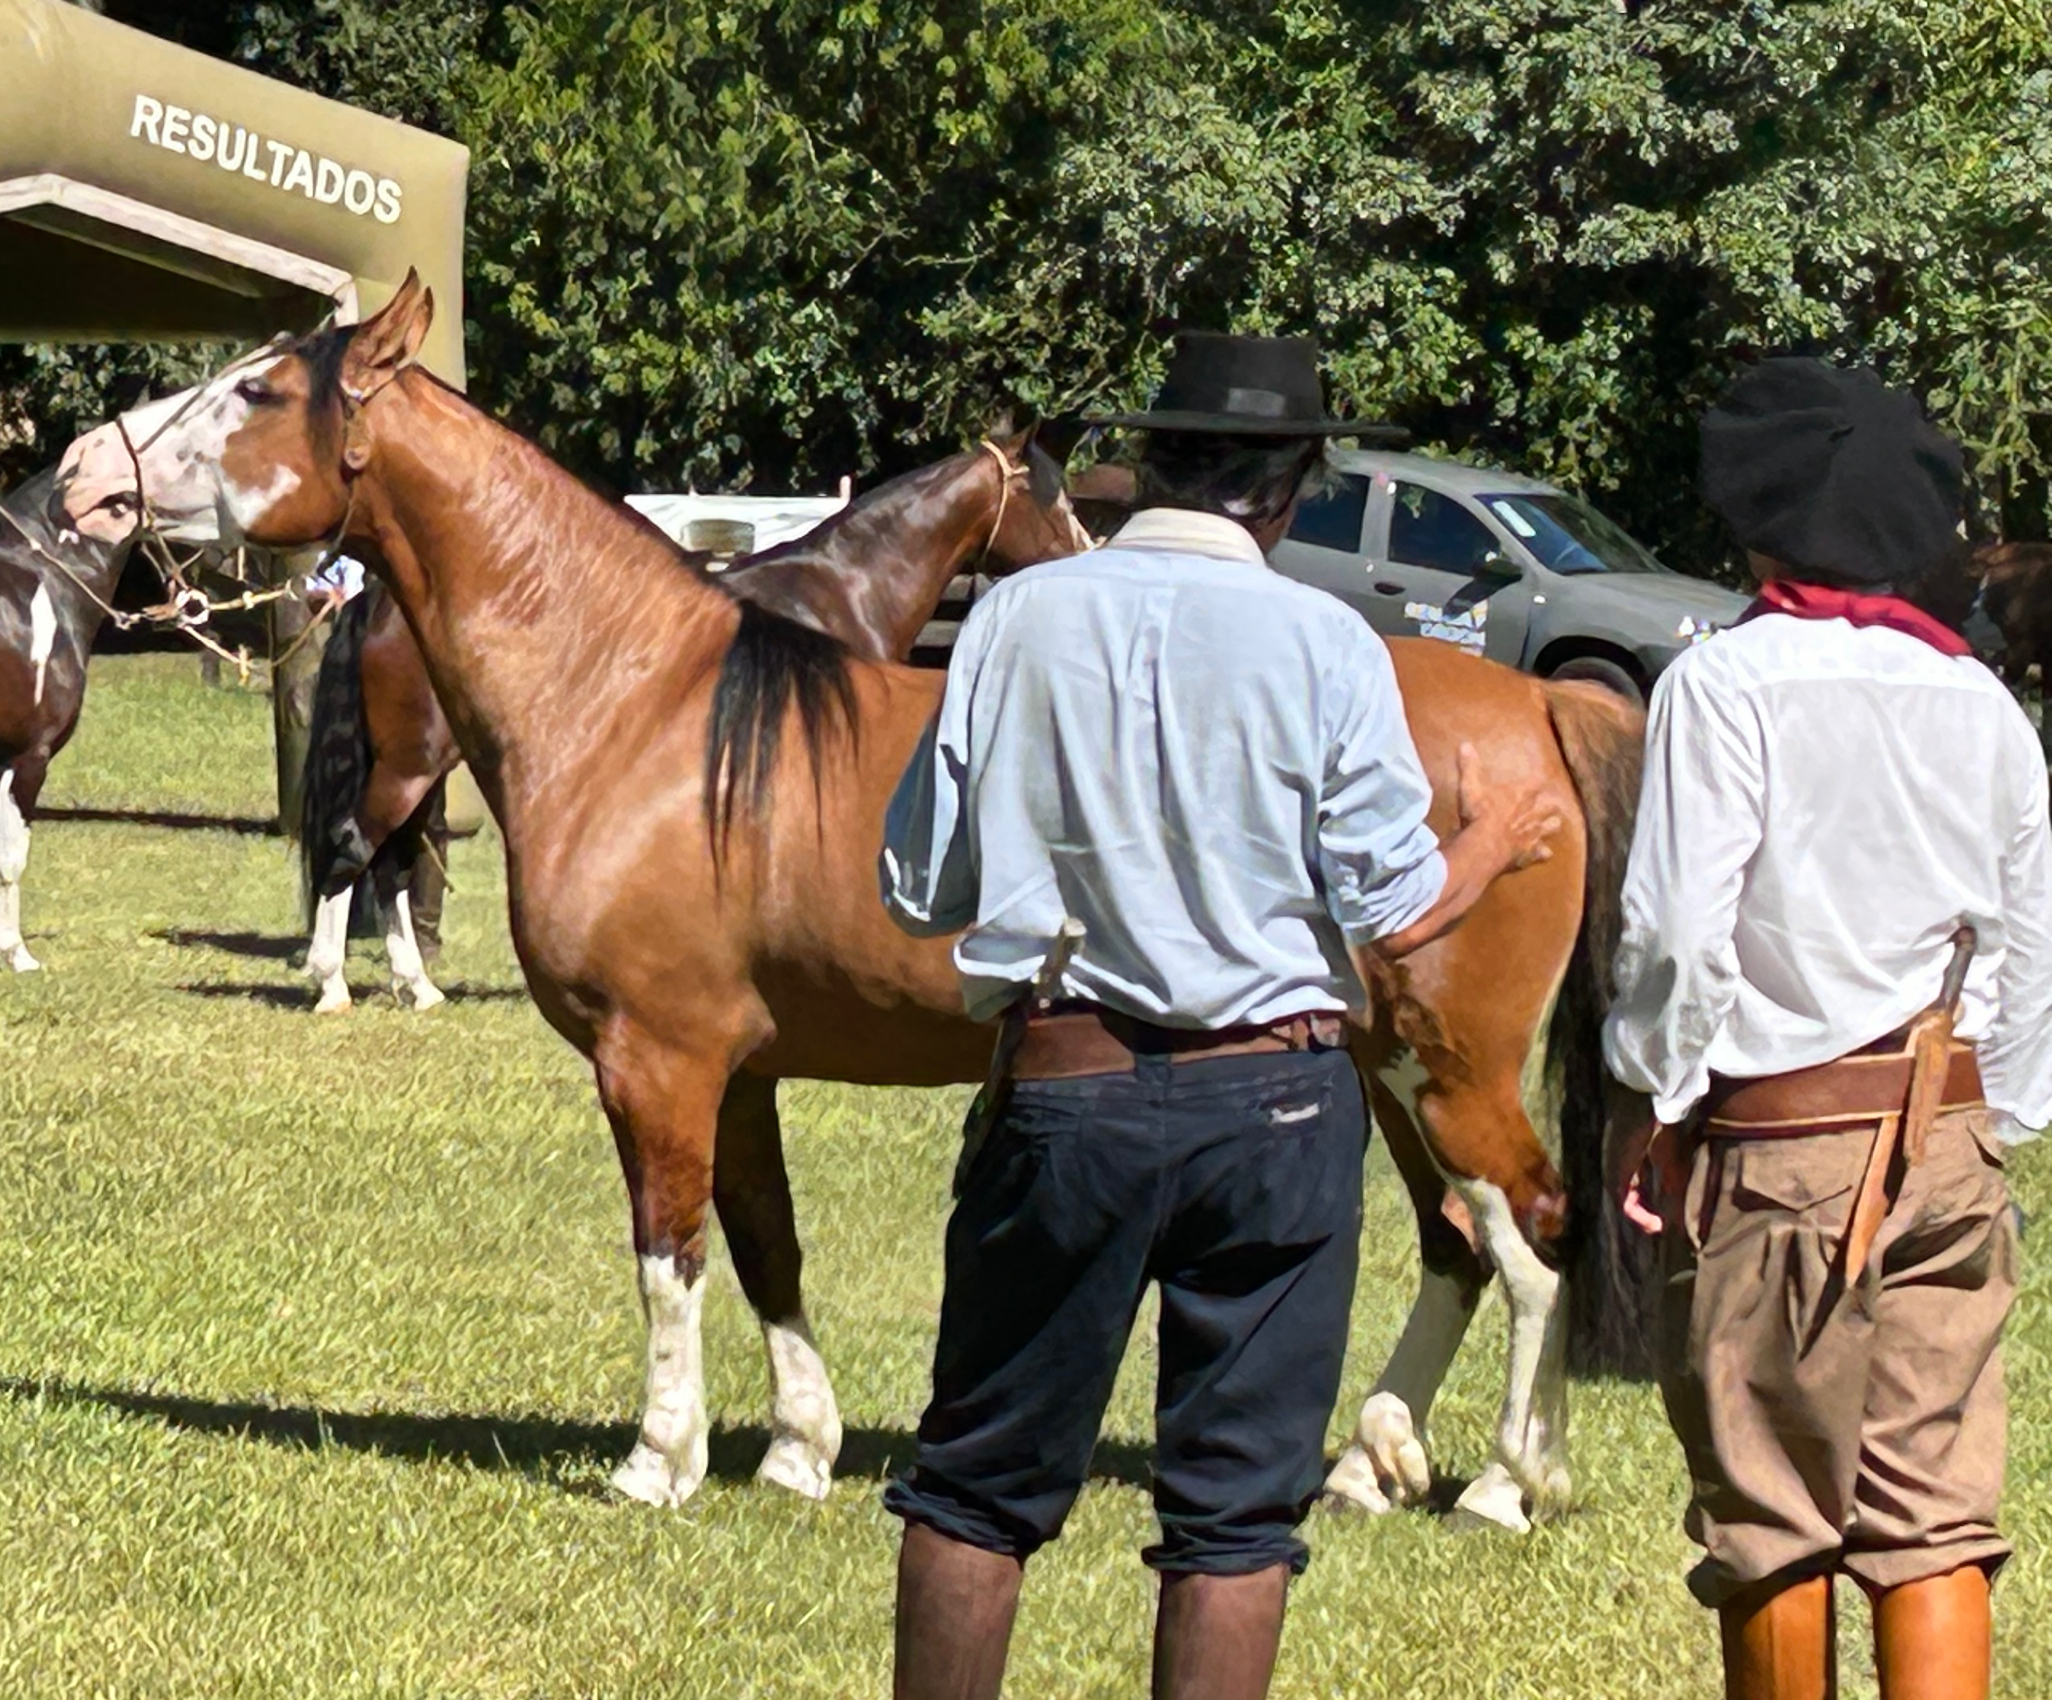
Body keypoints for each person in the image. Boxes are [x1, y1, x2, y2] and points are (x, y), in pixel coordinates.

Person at [878, 333, 1564, 1700]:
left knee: (974, 1491)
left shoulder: (1020, 619)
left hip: (1063, 1086)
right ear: (1296, 483)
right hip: (1280, 1102)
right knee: (1237, 1518)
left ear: (1156, 464)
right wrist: (1490, 846)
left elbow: (916, 886)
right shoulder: (1328, 642)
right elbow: (1387, 905)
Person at [1607, 358, 2052, 1700]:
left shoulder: (1726, 685)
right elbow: (2030, 944)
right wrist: (1998, 1114)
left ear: (1762, 519)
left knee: (1771, 1510)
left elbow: (1681, 932)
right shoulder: (1982, 705)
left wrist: (1655, 1095)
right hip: (1948, 1140)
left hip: (1783, 1147)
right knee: (1934, 1519)